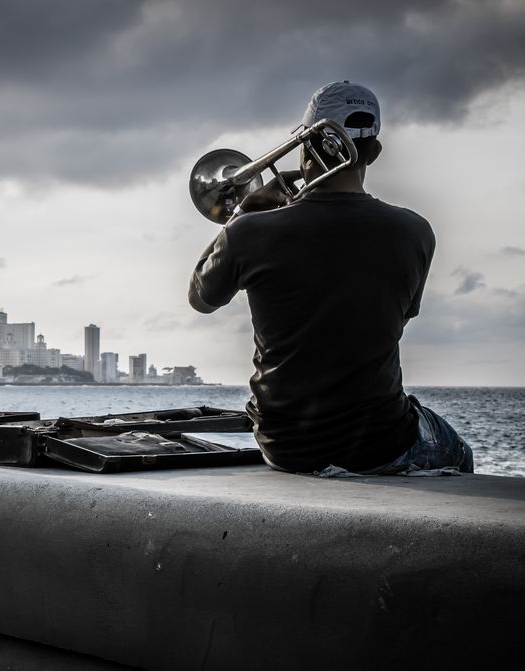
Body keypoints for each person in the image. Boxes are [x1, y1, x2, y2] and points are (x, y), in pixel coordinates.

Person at [188, 81, 472, 476]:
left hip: (285, 444)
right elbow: (394, 322)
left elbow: (201, 298)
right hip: (378, 442)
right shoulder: (416, 231)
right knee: (459, 451)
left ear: (305, 146)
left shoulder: (249, 232)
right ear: (374, 151)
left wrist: (240, 217)